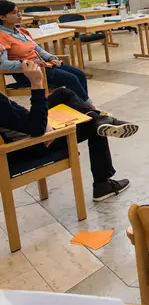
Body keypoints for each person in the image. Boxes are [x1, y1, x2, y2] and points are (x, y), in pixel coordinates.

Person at [0, 58, 133, 201]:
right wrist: (36, 83)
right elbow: (36, 128)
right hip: (30, 145)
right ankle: (102, 184)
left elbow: (16, 112)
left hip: (28, 133)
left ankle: (101, 119)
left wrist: (43, 123)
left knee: (62, 93)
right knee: (94, 126)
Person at [0, 0, 92, 104]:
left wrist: (51, 57)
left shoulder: (21, 31)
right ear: (2, 17)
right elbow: (2, 64)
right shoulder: (2, 36)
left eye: (19, 11)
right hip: (29, 72)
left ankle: (81, 106)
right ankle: (88, 109)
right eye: (14, 13)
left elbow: (37, 49)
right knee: (71, 79)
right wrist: (30, 63)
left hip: (44, 65)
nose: (19, 15)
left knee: (80, 74)